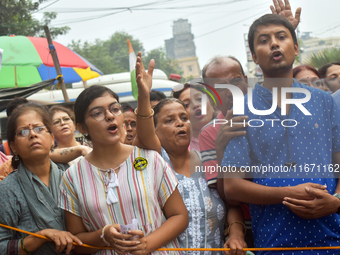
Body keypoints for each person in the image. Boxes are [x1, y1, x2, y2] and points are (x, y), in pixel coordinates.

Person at [221, 14, 340, 255]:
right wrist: (287, 194)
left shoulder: (325, 102)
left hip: (332, 240)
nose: (274, 43)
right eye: (264, 40)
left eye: (281, 37)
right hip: (276, 244)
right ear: (254, 57)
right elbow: (233, 187)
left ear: (295, 48)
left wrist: (337, 200)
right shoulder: (243, 109)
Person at [134, 52, 247, 255]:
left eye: (183, 118)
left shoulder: (207, 159)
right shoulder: (158, 162)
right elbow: (143, 132)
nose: (179, 123)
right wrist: (144, 95)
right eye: (169, 120)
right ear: (155, 131)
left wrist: (236, 233)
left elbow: (230, 201)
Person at [58, 85, 188, 255]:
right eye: (97, 113)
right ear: (82, 127)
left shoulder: (150, 158)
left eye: (114, 109)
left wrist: (147, 244)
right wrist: (103, 235)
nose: (110, 116)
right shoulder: (72, 178)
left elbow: (179, 216)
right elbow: (76, 242)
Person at [0, 102, 82, 255]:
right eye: (23, 132)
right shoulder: (8, 189)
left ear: (52, 139)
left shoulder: (72, 175)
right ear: (14, 147)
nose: (33, 134)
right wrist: (40, 237)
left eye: (39, 129)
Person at [172, 82, 216, 151]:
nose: (195, 105)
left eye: (199, 99)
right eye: (186, 104)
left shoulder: (231, 129)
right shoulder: (182, 148)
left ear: (211, 102)